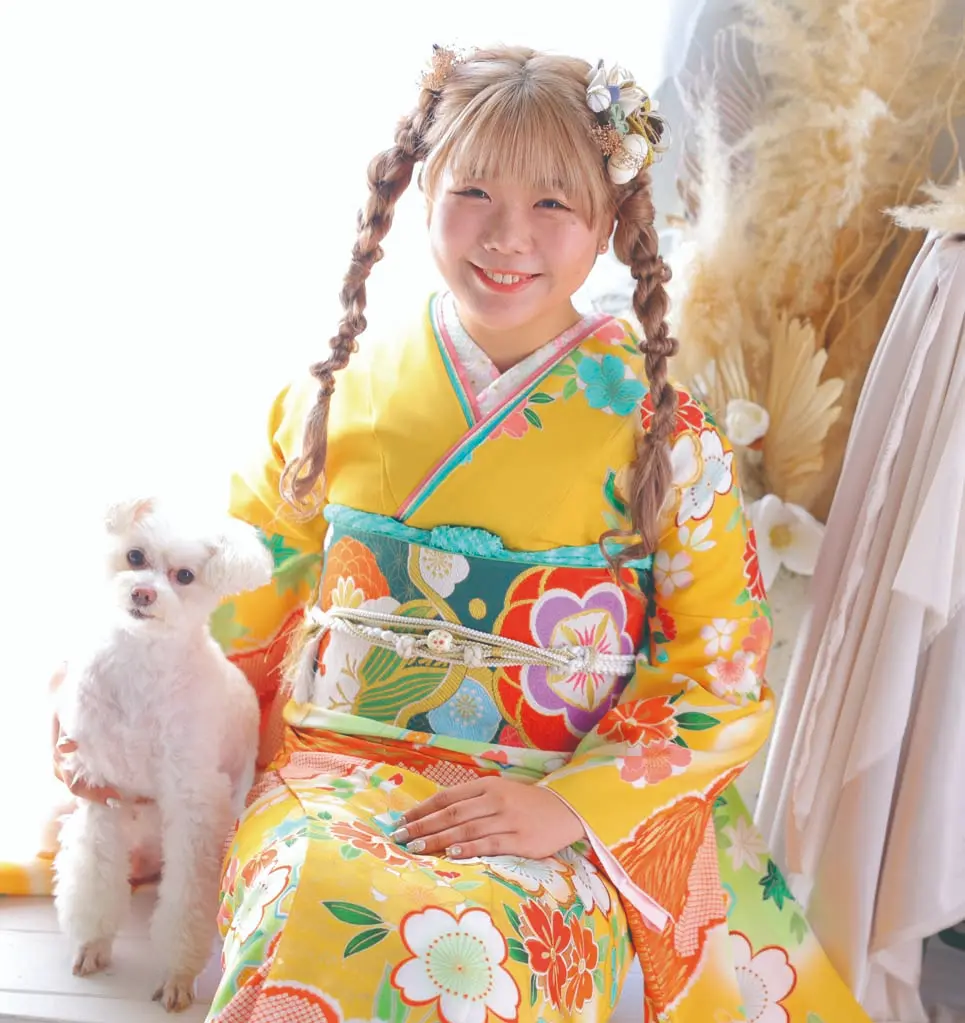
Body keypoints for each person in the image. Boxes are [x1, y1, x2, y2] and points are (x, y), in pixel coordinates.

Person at [53, 44, 871, 1023]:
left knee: (467, 951)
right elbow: (239, 608)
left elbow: (717, 670)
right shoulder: (334, 393)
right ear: (422, 190)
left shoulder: (665, 434)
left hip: (545, 794)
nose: (507, 235)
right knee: (318, 897)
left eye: (552, 202)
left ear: (609, 219)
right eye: (473, 191)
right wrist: (136, 731)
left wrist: (567, 806)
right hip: (333, 772)